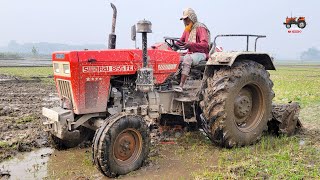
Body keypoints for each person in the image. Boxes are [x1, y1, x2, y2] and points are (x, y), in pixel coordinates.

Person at [174, 8, 211, 92]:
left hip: (201, 54)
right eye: (183, 19)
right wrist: (173, 45)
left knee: (187, 59)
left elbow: (205, 45)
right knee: (175, 58)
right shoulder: (187, 29)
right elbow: (180, 41)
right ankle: (172, 82)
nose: (184, 21)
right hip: (190, 53)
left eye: (186, 19)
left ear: (192, 18)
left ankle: (181, 85)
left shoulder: (200, 28)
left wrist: (190, 44)